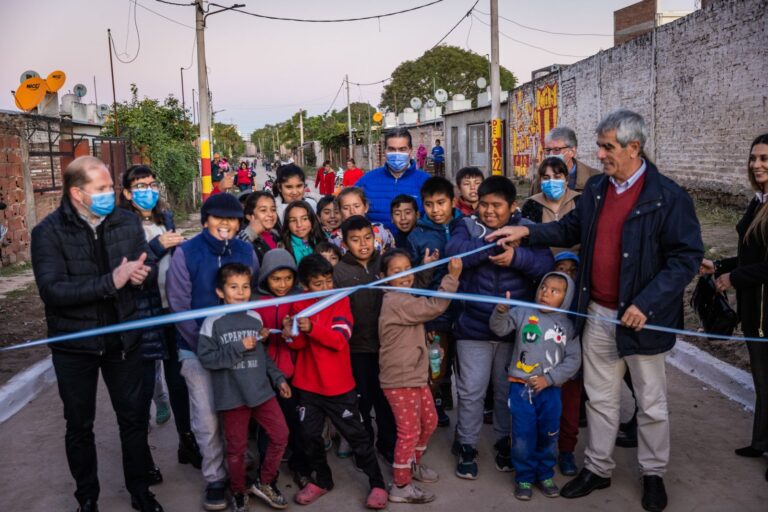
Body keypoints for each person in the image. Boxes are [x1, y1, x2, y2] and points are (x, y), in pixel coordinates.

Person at [487, 110, 704, 512]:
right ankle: (598, 468)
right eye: (600, 146)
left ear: (633, 148)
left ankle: (653, 473)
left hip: (642, 319)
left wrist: (647, 303)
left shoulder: (668, 196)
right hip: (596, 314)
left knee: (651, 403)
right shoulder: (599, 190)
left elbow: (686, 258)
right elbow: (570, 229)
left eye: (608, 147)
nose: (599, 155)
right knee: (600, 399)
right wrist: (527, 232)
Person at [30, 155, 163, 512]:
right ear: (77, 193)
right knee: (79, 424)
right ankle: (87, 497)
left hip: (123, 341)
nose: (109, 194)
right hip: (74, 347)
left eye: (109, 187)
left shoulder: (125, 222)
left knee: (133, 418)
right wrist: (112, 281)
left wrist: (141, 275)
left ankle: (140, 491)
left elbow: (143, 266)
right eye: (101, 189)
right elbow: (53, 292)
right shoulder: (47, 233)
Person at [446, 175, 554, 481]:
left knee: (508, 392)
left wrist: (517, 255)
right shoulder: (465, 226)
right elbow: (455, 254)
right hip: (472, 328)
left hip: (514, 331)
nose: (489, 211)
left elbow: (546, 267)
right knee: (471, 392)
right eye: (484, 204)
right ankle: (466, 445)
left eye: (497, 205)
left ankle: (504, 442)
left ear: (513, 207)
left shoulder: (528, 230)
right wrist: (494, 241)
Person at [166, 193, 260, 511]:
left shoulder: (247, 251)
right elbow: (179, 304)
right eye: (218, 217)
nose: (225, 224)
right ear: (205, 220)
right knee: (206, 416)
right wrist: (207, 347)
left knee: (239, 410)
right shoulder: (186, 253)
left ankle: (240, 468)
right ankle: (215, 478)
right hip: (195, 349)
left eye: (232, 218)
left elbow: (253, 292)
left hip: (242, 347)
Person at [284, 254, 388, 509]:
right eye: (317, 284)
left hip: (338, 387)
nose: (325, 287)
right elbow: (297, 344)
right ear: (305, 286)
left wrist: (311, 329)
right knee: (309, 436)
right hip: (308, 386)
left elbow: (339, 340)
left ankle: (377, 483)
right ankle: (322, 480)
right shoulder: (299, 305)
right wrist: (290, 333)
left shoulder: (340, 301)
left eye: (328, 281)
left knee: (357, 437)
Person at [118, 165, 201, 480]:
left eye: (151, 184)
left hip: (171, 310)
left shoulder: (164, 218)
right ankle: (142, 461)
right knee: (140, 388)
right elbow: (126, 267)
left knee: (178, 381)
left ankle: (186, 443)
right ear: (127, 192)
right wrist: (156, 246)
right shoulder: (120, 225)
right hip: (142, 315)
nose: (147, 190)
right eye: (139, 185)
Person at [700, 133, 768, 482]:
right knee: (762, 379)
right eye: (754, 158)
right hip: (754, 307)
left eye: (764, 158)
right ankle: (760, 441)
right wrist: (721, 267)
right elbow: (751, 254)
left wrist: (734, 278)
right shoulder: (759, 201)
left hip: (764, 309)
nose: (757, 164)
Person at [198, 263, 291, 512]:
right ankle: (238, 491)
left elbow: (264, 357)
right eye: (233, 287)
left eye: (246, 286)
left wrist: (278, 378)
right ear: (220, 292)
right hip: (233, 397)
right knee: (236, 449)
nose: (240, 292)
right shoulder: (212, 322)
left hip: (261, 392)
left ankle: (266, 482)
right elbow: (208, 359)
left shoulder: (255, 317)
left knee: (281, 435)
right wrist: (239, 345)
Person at [379, 249, 462, 504]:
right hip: (400, 378)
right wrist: (453, 277)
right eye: (397, 272)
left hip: (413, 374)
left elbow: (415, 317)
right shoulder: (395, 300)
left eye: (408, 269)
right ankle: (401, 485)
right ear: (383, 277)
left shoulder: (403, 296)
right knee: (409, 431)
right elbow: (434, 306)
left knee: (430, 420)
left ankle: (411, 465)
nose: (405, 276)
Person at [490, 272, 581, 501]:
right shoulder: (522, 313)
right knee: (522, 434)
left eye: (554, 291)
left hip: (550, 391)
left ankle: (545, 473)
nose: (545, 294)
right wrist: (500, 312)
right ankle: (524, 477)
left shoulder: (568, 326)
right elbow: (499, 329)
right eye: (543, 288)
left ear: (566, 297)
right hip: (520, 388)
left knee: (549, 433)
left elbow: (573, 360)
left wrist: (549, 379)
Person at [333, 216, 397, 463]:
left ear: (375, 237)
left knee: (385, 399)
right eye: (355, 240)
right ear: (345, 243)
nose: (363, 245)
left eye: (368, 238)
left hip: (385, 347)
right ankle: (364, 448)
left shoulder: (385, 264)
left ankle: (387, 444)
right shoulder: (339, 272)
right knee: (361, 401)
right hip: (355, 349)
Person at [407, 177, 464, 426]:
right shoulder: (417, 236)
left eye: (441, 203)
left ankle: (447, 401)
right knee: (435, 365)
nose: (436, 210)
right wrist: (424, 267)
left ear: (453, 201)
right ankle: (433, 407)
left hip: (465, 313)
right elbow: (411, 282)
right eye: (429, 204)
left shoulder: (467, 227)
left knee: (463, 367)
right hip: (434, 315)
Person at [253, 248, 312, 488]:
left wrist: (293, 333)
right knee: (267, 428)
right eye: (276, 279)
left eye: (288, 278)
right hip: (264, 375)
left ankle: (301, 467)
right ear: (265, 277)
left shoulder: (299, 300)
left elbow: (306, 337)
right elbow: (249, 339)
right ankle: (268, 475)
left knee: (297, 425)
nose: (282, 284)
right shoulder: (255, 302)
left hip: (295, 372)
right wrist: (262, 337)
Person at [356, 127, 431, 231]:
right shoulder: (367, 181)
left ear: (410, 150)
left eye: (402, 149)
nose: (397, 154)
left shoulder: (426, 182)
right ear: (385, 151)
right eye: (391, 149)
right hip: (377, 245)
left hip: (414, 246)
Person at [551, 251, 584, 476]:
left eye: (573, 270)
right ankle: (537, 454)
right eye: (561, 269)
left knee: (569, 413)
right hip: (542, 371)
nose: (567, 274)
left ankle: (566, 452)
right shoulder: (541, 303)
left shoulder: (581, 305)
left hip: (571, 372)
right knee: (543, 413)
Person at [521, 157, 581, 255]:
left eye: (557, 177)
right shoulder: (532, 204)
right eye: (546, 178)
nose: (551, 182)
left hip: (576, 264)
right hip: (543, 264)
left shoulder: (579, 200)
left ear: (566, 180)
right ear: (540, 181)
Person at [530, 126, 600, 195]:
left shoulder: (595, 179)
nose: (551, 154)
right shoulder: (538, 180)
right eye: (548, 150)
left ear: (572, 151)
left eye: (557, 150)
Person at [334, 187, 395, 253]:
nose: (352, 211)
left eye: (356, 206)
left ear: (366, 207)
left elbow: (393, 256)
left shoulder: (381, 230)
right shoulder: (335, 238)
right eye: (346, 208)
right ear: (339, 211)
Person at [237, 191, 281, 265]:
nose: (270, 214)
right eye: (263, 210)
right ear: (250, 216)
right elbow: (235, 253)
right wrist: (251, 232)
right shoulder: (245, 237)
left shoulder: (277, 236)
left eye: (273, 210)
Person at [281, 200, 326, 264]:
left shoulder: (324, 239)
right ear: (287, 224)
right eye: (293, 220)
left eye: (304, 219)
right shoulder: (283, 248)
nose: (299, 225)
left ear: (312, 220)